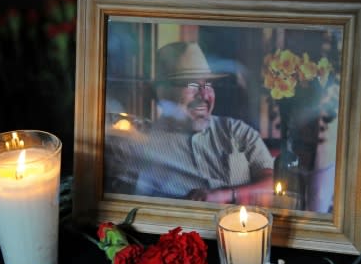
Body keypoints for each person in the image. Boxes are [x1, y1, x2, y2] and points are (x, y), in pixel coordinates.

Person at [107, 41, 274, 205]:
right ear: (162, 92)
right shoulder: (141, 146)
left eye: (208, 85)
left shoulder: (236, 130)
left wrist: (223, 195)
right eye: (192, 84)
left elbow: (272, 184)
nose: (204, 95)